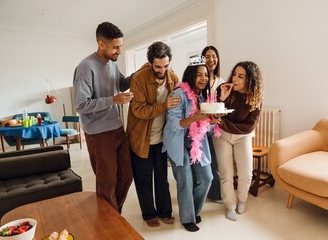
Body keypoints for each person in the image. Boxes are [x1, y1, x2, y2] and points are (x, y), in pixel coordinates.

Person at [73, 22, 134, 213]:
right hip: (98, 133)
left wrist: (139, 73)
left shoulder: (111, 65)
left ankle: (113, 214)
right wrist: (113, 100)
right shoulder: (86, 67)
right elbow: (80, 105)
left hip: (116, 128)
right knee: (107, 183)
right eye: (116, 47)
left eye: (120, 46)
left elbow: (122, 83)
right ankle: (109, 222)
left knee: (127, 174)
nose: (119, 51)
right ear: (101, 44)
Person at [162, 57, 222, 232]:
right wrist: (193, 118)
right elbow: (173, 124)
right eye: (199, 75)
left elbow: (206, 130)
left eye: (205, 75)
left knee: (207, 177)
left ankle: (193, 210)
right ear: (190, 75)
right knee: (185, 180)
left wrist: (212, 121)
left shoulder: (203, 96)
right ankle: (187, 218)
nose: (203, 78)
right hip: (177, 142)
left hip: (196, 143)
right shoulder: (178, 94)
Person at [126, 41, 180, 227]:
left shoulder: (173, 77)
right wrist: (164, 105)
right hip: (141, 138)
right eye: (158, 66)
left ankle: (165, 211)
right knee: (144, 178)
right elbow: (139, 110)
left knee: (162, 177)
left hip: (162, 138)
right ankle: (149, 214)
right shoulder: (139, 79)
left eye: (166, 66)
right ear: (150, 63)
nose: (162, 70)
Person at [213, 61, 264, 221]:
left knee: (246, 174)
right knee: (227, 174)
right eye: (234, 74)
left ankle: (242, 200)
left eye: (240, 76)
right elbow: (213, 115)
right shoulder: (223, 90)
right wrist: (221, 99)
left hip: (243, 136)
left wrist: (223, 122)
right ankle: (230, 205)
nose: (234, 78)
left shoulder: (255, 98)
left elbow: (248, 127)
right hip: (222, 136)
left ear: (250, 80)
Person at [201, 46, 225, 203]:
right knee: (203, 159)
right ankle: (204, 190)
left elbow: (222, 103)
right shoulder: (200, 79)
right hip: (200, 126)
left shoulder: (221, 81)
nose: (211, 60)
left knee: (215, 160)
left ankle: (215, 193)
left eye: (214, 56)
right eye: (207, 57)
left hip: (215, 126)